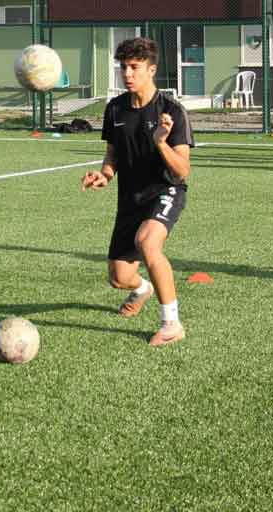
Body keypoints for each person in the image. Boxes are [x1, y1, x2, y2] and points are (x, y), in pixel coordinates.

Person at [81, 37, 193, 347]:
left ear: (151, 69)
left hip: (165, 191)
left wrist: (160, 141)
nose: (127, 74)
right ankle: (143, 288)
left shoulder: (171, 110)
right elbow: (112, 153)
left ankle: (171, 323)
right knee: (119, 278)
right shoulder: (115, 108)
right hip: (130, 199)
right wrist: (105, 174)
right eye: (123, 68)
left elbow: (183, 170)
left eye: (135, 67)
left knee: (148, 242)